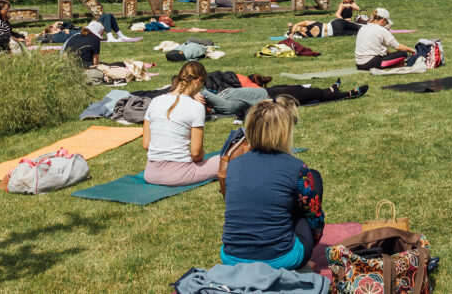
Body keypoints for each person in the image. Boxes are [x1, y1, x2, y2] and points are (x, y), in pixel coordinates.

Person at [219, 98, 325, 269]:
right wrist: (310, 245)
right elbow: (315, 220)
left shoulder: (234, 164)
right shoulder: (297, 167)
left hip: (231, 258)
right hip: (281, 260)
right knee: (314, 179)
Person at [143, 61, 220, 186]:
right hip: (179, 175)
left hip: (150, 174)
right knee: (229, 160)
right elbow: (196, 154)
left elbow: (147, 144)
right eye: (203, 83)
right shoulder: (196, 107)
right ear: (198, 80)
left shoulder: (155, 101)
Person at [204, 75, 368, 120]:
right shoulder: (223, 104)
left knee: (303, 89)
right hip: (275, 98)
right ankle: (349, 94)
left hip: (272, 91)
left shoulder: (219, 94)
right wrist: (203, 93)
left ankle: (331, 89)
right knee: (314, 95)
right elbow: (229, 108)